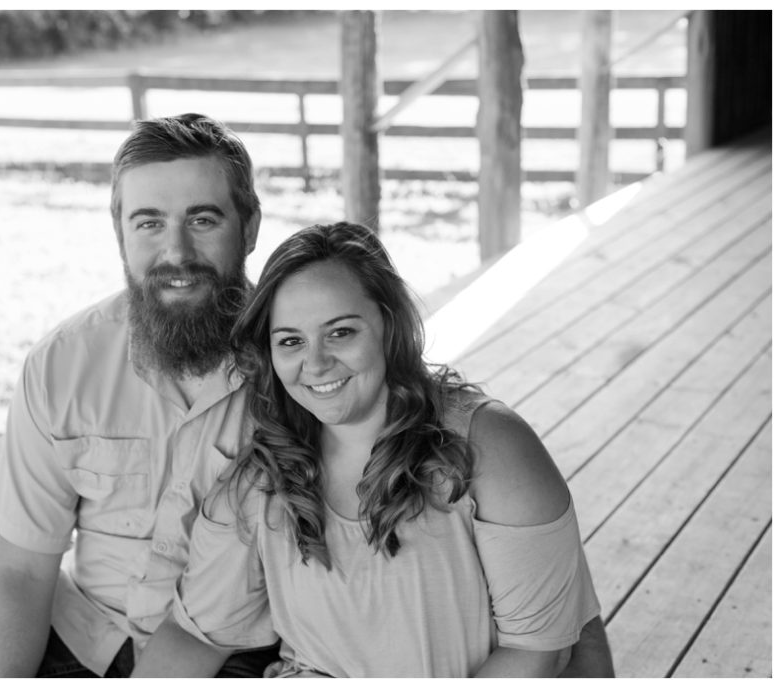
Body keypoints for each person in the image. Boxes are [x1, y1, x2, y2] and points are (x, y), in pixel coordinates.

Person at [0, 113, 279, 677]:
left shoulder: (300, 365)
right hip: (82, 628)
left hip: (229, 651)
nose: (177, 252)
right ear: (119, 231)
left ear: (249, 226)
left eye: (202, 219)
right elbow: (23, 569)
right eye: (149, 222)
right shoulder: (64, 363)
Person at [134, 221, 611, 678]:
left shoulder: (489, 446)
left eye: (341, 332)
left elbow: (539, 653)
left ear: (389, 324)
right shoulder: (262, 478)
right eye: (291, 341)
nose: (316, 363)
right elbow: (196, 634)